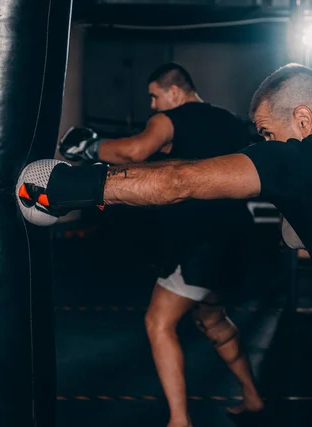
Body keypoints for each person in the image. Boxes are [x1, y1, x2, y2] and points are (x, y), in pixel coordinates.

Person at [19, 63, 312, 427]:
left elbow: (179, 181)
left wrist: (67, 187)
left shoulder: (298, 161)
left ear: (303, 119)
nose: (268, 142)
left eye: (268, 132)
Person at [57, 63, 264, 427]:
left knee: (158, 321)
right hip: (239, 241)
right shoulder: (231, 121)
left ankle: (179, 420)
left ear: (174, 91)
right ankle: (253, 397)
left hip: (200, 243)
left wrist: (92, 147)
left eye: (155, 96)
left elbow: (135, 151)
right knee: (212, 319)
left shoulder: (171, 119)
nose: (153, 105)